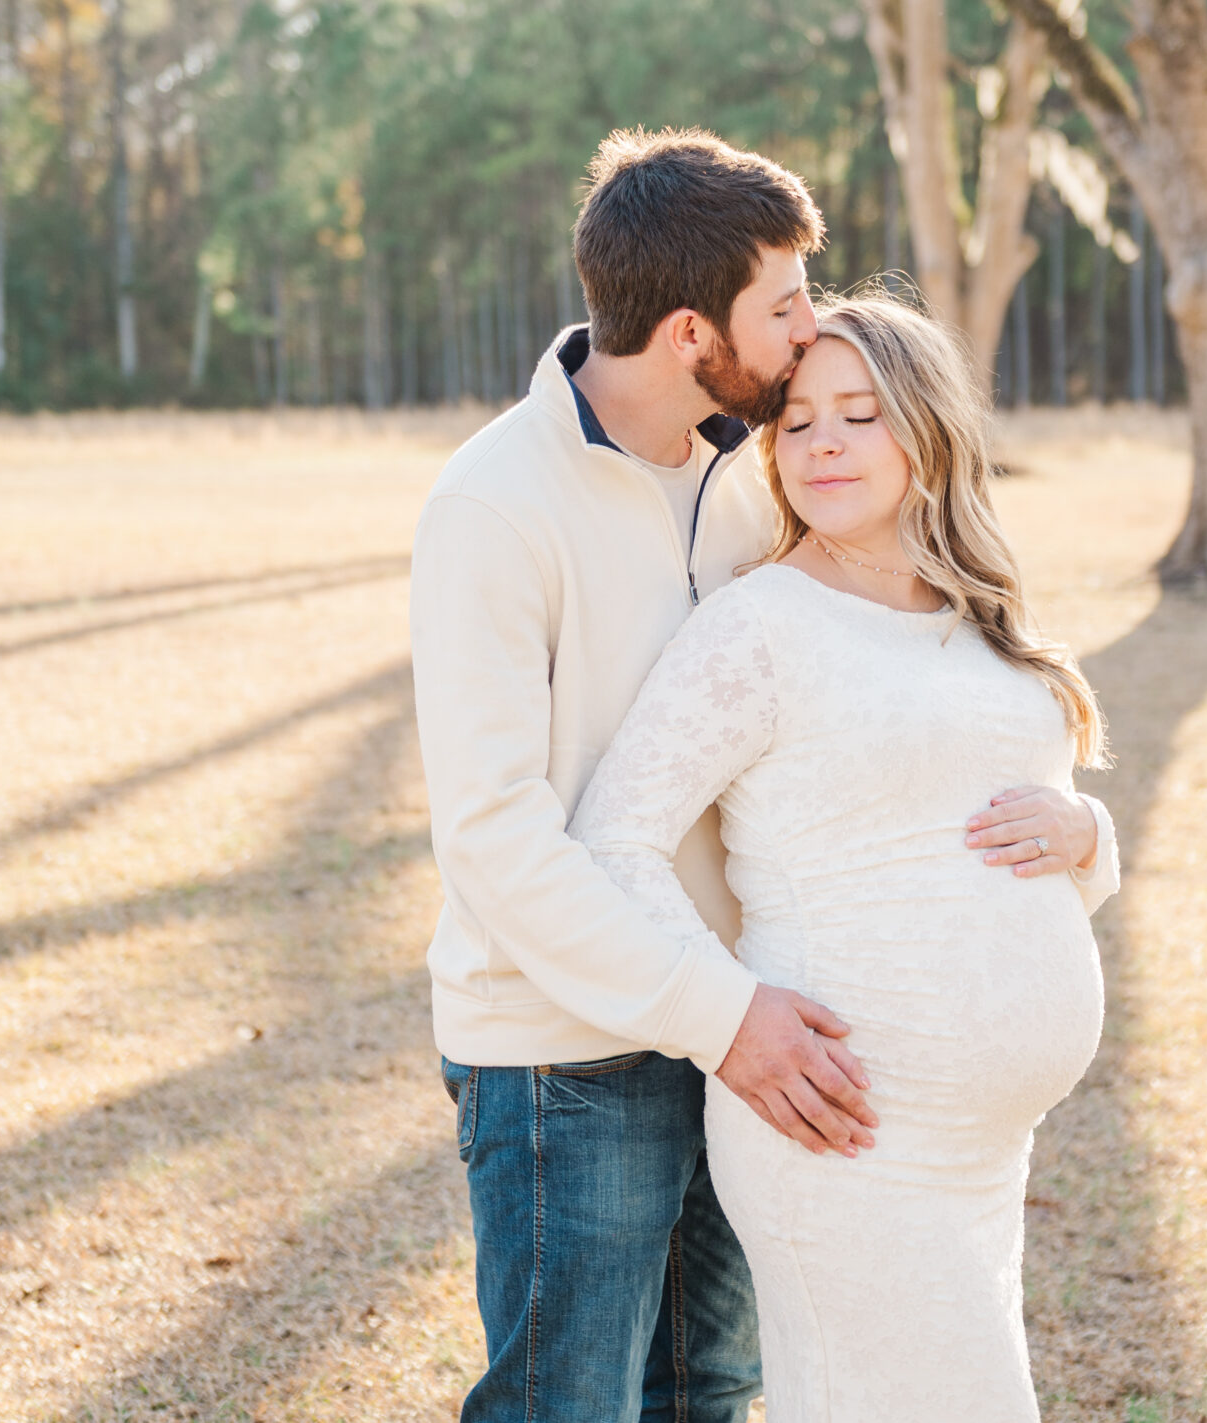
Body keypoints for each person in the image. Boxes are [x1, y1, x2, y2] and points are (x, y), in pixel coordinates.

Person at [410, 130, 1113, 1423]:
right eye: (783, 308)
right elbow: (498, 838)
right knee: (568, 1400)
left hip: (754, 1030)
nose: (806, 337)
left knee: (714, 1391)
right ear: (691, 331)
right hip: (575, 1046)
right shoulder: (495, 506)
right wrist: (720, 1010)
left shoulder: (748, 471)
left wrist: (1077, 838)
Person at [568, 294, 1119, 1422]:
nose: (822, 440)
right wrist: (726, 1012)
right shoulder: (758, 625)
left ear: (927, 431)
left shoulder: (977, 618)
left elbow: (1013, 809)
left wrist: (1089, 835)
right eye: (798, 418)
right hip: (850, 1132)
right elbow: (612, 834)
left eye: (860, 414)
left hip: (977, 1144)